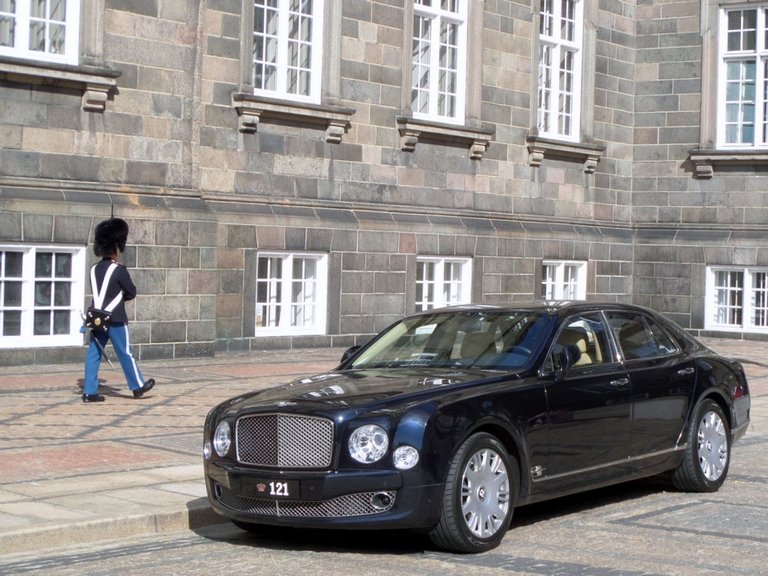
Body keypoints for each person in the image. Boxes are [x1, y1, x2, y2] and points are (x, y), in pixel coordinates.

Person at [82, 218, 156, 403]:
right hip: (115, 318)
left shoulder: (93, 269)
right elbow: (132, 292)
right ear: (116, 247)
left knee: (94, 354)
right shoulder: (119, 270)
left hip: (97, 317)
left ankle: (89, 391)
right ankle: (137, 385)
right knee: (125, 352)